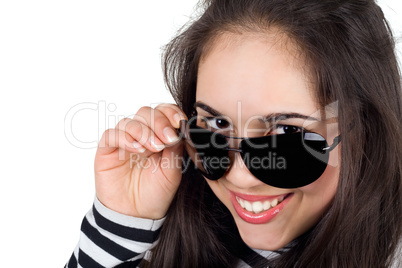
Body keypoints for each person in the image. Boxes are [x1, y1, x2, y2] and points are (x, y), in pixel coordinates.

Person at [65, 0, 402, 267]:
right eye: (216, 125)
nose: (239, 177)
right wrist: (122, 220)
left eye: (286, 132)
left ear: (365, 131)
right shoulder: (180, 229)